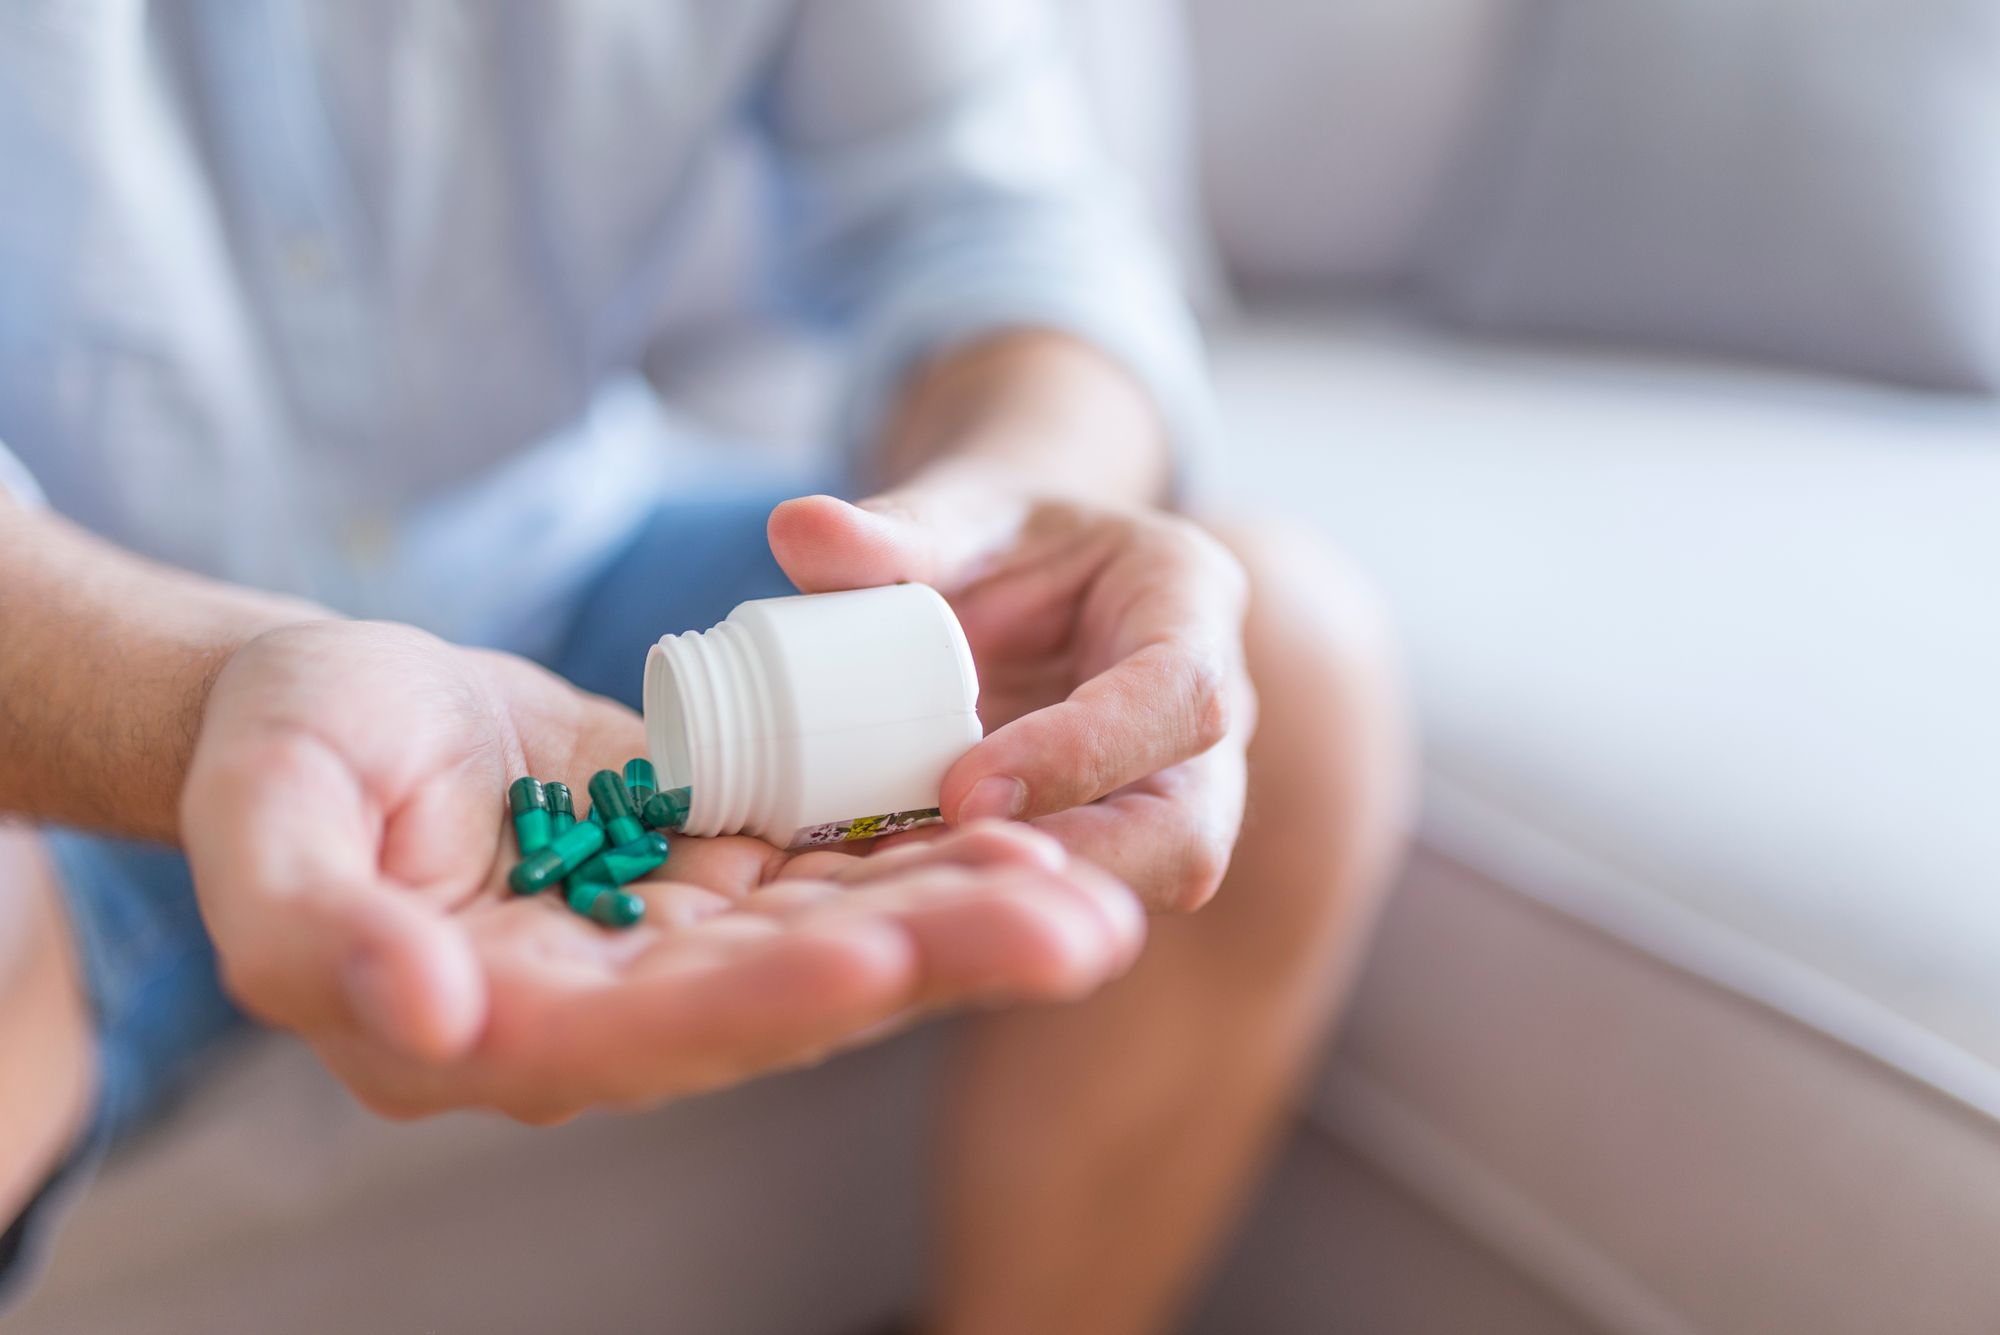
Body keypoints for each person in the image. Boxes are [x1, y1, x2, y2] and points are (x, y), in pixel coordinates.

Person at [0, 3, 1411, 1332]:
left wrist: (1006, 507)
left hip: (556, 559)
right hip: (68, 646)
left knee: (1272, 658)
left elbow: (1000, 217)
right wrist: (199, 695)